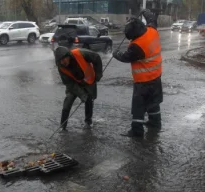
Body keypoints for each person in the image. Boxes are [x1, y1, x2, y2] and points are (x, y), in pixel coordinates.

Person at [113, 9, 163, 138]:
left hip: (143, 81)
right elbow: (152, 18)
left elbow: (125, 57)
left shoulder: (137, 46)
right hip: (156, 76)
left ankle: (137, 131)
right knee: (153, 101)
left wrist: (115, 54)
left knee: (138, 106)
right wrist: (144, 11)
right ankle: (155, 123)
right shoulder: (152, 30)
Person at [54, 46, 103, 131]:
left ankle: (88, 122)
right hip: (73, 84)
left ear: (68, 56)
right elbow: (68, 84)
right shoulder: (61, 67)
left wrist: (98, 74)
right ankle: (63, 126)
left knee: (89, 99)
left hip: (88, 79)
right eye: (60, 60)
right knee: (67, 103)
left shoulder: (80, 53)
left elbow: (96, 57)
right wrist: (82, 94)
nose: (63, 62)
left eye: (64, 59)